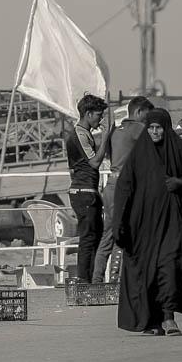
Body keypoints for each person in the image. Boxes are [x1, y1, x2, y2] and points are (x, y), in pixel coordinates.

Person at [113, 108, 182, 336]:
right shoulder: (138, 155)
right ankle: (153, 320)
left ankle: (169, 317)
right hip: (144, 227)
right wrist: (120, 223)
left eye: (159, 128)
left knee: (169, 266)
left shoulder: (180, 152)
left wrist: (181, 183)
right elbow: (124, 189)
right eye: (151, 128)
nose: (155, 132)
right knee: (149, 270)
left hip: (173, 225)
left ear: (166, 129)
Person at [92, 96, 153, 284]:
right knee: (123, 231)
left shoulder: (116, 131)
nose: (148, 121)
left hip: (110, 184)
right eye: (147, 117)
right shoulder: (138, 129)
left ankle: (97, 280)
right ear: (139, 112)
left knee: (108, 233)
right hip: (124, 186)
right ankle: (116, 280)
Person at [64, 94, 110, 283]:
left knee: (96, 236)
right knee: (88, 238)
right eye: (98, 115)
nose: (100, 119)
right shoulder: (80, 135)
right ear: (88, 113)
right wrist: (106, 136)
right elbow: (94, 162)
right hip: (83, 193)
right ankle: (84, 281)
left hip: (88, 192)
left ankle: (91, 279)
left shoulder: (85, 134)